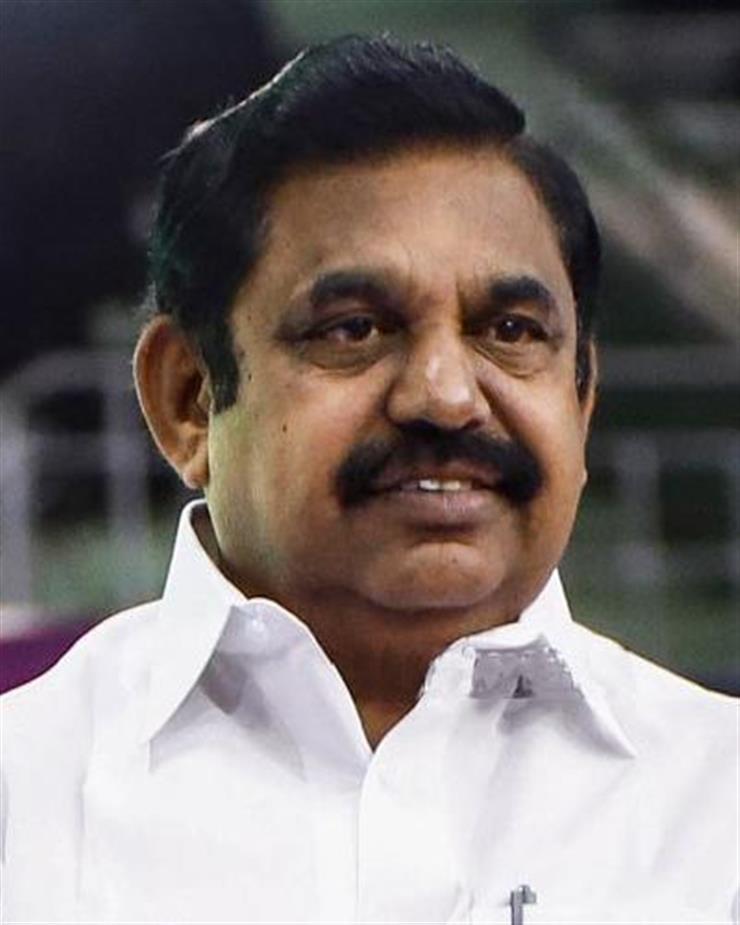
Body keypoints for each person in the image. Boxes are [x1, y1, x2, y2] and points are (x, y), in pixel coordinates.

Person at [1, 35, 736, 925]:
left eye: (510, 330)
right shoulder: (24, 797)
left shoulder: (717, 805)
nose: (446, 396)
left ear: (581, 398)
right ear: (188, 399)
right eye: (353, 329)